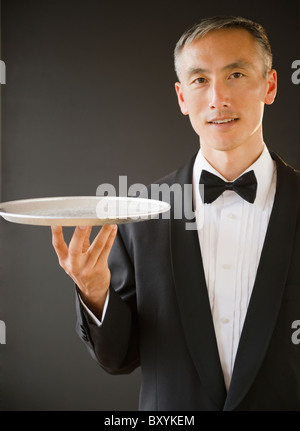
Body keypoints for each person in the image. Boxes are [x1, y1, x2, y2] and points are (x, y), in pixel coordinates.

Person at [51, 16, 300, 411]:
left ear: (269, 85)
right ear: (182, 97)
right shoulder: (140, 214)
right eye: (200, 80)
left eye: (236, 74)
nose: (218, 98)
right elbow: (120, 359)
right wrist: (95, 292)